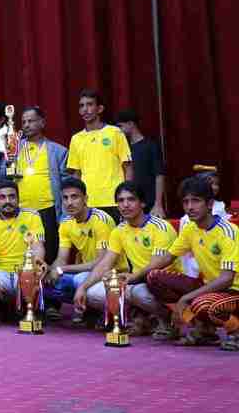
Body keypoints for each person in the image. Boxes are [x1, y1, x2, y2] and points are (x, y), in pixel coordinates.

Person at [144, 177, 239, 350]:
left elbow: (227, 279)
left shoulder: (228, 231)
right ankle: (204, 330)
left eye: (195, 201)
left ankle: (236, 331)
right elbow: (167, 258)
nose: (189, 207)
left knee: (201, 304)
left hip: (233, 291)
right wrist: (131, 278)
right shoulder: (190, 229)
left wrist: (186, 298)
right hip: (210, 287)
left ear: (209, 204)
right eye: (186, 202)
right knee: (154, 277)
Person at [74, 182, 178, 338]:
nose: (125, 205)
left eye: (131, 199)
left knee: (137, 292)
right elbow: (105, 264)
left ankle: (167, 320)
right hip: (136, 282)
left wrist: (132, 278)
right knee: (92, 293)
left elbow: (157, 265)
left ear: (142, 203)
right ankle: (141, 317)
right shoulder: (119, 230)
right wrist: (83, 287)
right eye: (121, 201)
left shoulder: (160, 227)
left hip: (163, 284)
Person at [43, 178, 116, 324]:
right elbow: (61, 258)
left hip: (110, 273)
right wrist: (50, 271)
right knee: (41, 282)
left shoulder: (101, 220)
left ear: (85, 199)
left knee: (78, 279)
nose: (69, 202)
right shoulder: (66, 223)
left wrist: (61, 269)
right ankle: (88, 309)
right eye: (65, 198)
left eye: (74, 197)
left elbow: (100, 263)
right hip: (85, 272)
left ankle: (102, 312)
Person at [0, 179, 46, 324]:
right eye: (2, 197)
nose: (7, 201)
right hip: (0, 273)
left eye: (12, 196)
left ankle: (30, 310)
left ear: (18, 198)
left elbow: (38, 247)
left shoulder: (32, 216)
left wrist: (34, 268)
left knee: (40, 273)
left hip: (25, 270)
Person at [66, 89, 132, 222]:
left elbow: (128, 167)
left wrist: (127, 197)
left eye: (90, 104)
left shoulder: (115, 132)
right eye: (82, 106)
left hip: (114, 200)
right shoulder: (76, 139)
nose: (85, 109)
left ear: (100, 108)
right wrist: (78, 201)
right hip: (88, 203)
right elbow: (76, 174)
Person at [15, 106, 68, 263]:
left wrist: (65, 214)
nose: (26, 125)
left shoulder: (58, 151)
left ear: (42, 123)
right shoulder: (13, 148)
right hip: (20, 210)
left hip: (47, 210)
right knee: (21, 255)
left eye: (31, 121)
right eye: (24, 122)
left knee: (47, 256)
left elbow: (66, 185)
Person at [115, 109, 166, 216]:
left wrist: (158, 204)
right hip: (128, 203)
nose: (118, 131)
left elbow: (159, 175)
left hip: (150, 204)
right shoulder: (123, 147)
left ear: (131, 124)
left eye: (120, 126)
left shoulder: (150, 146)